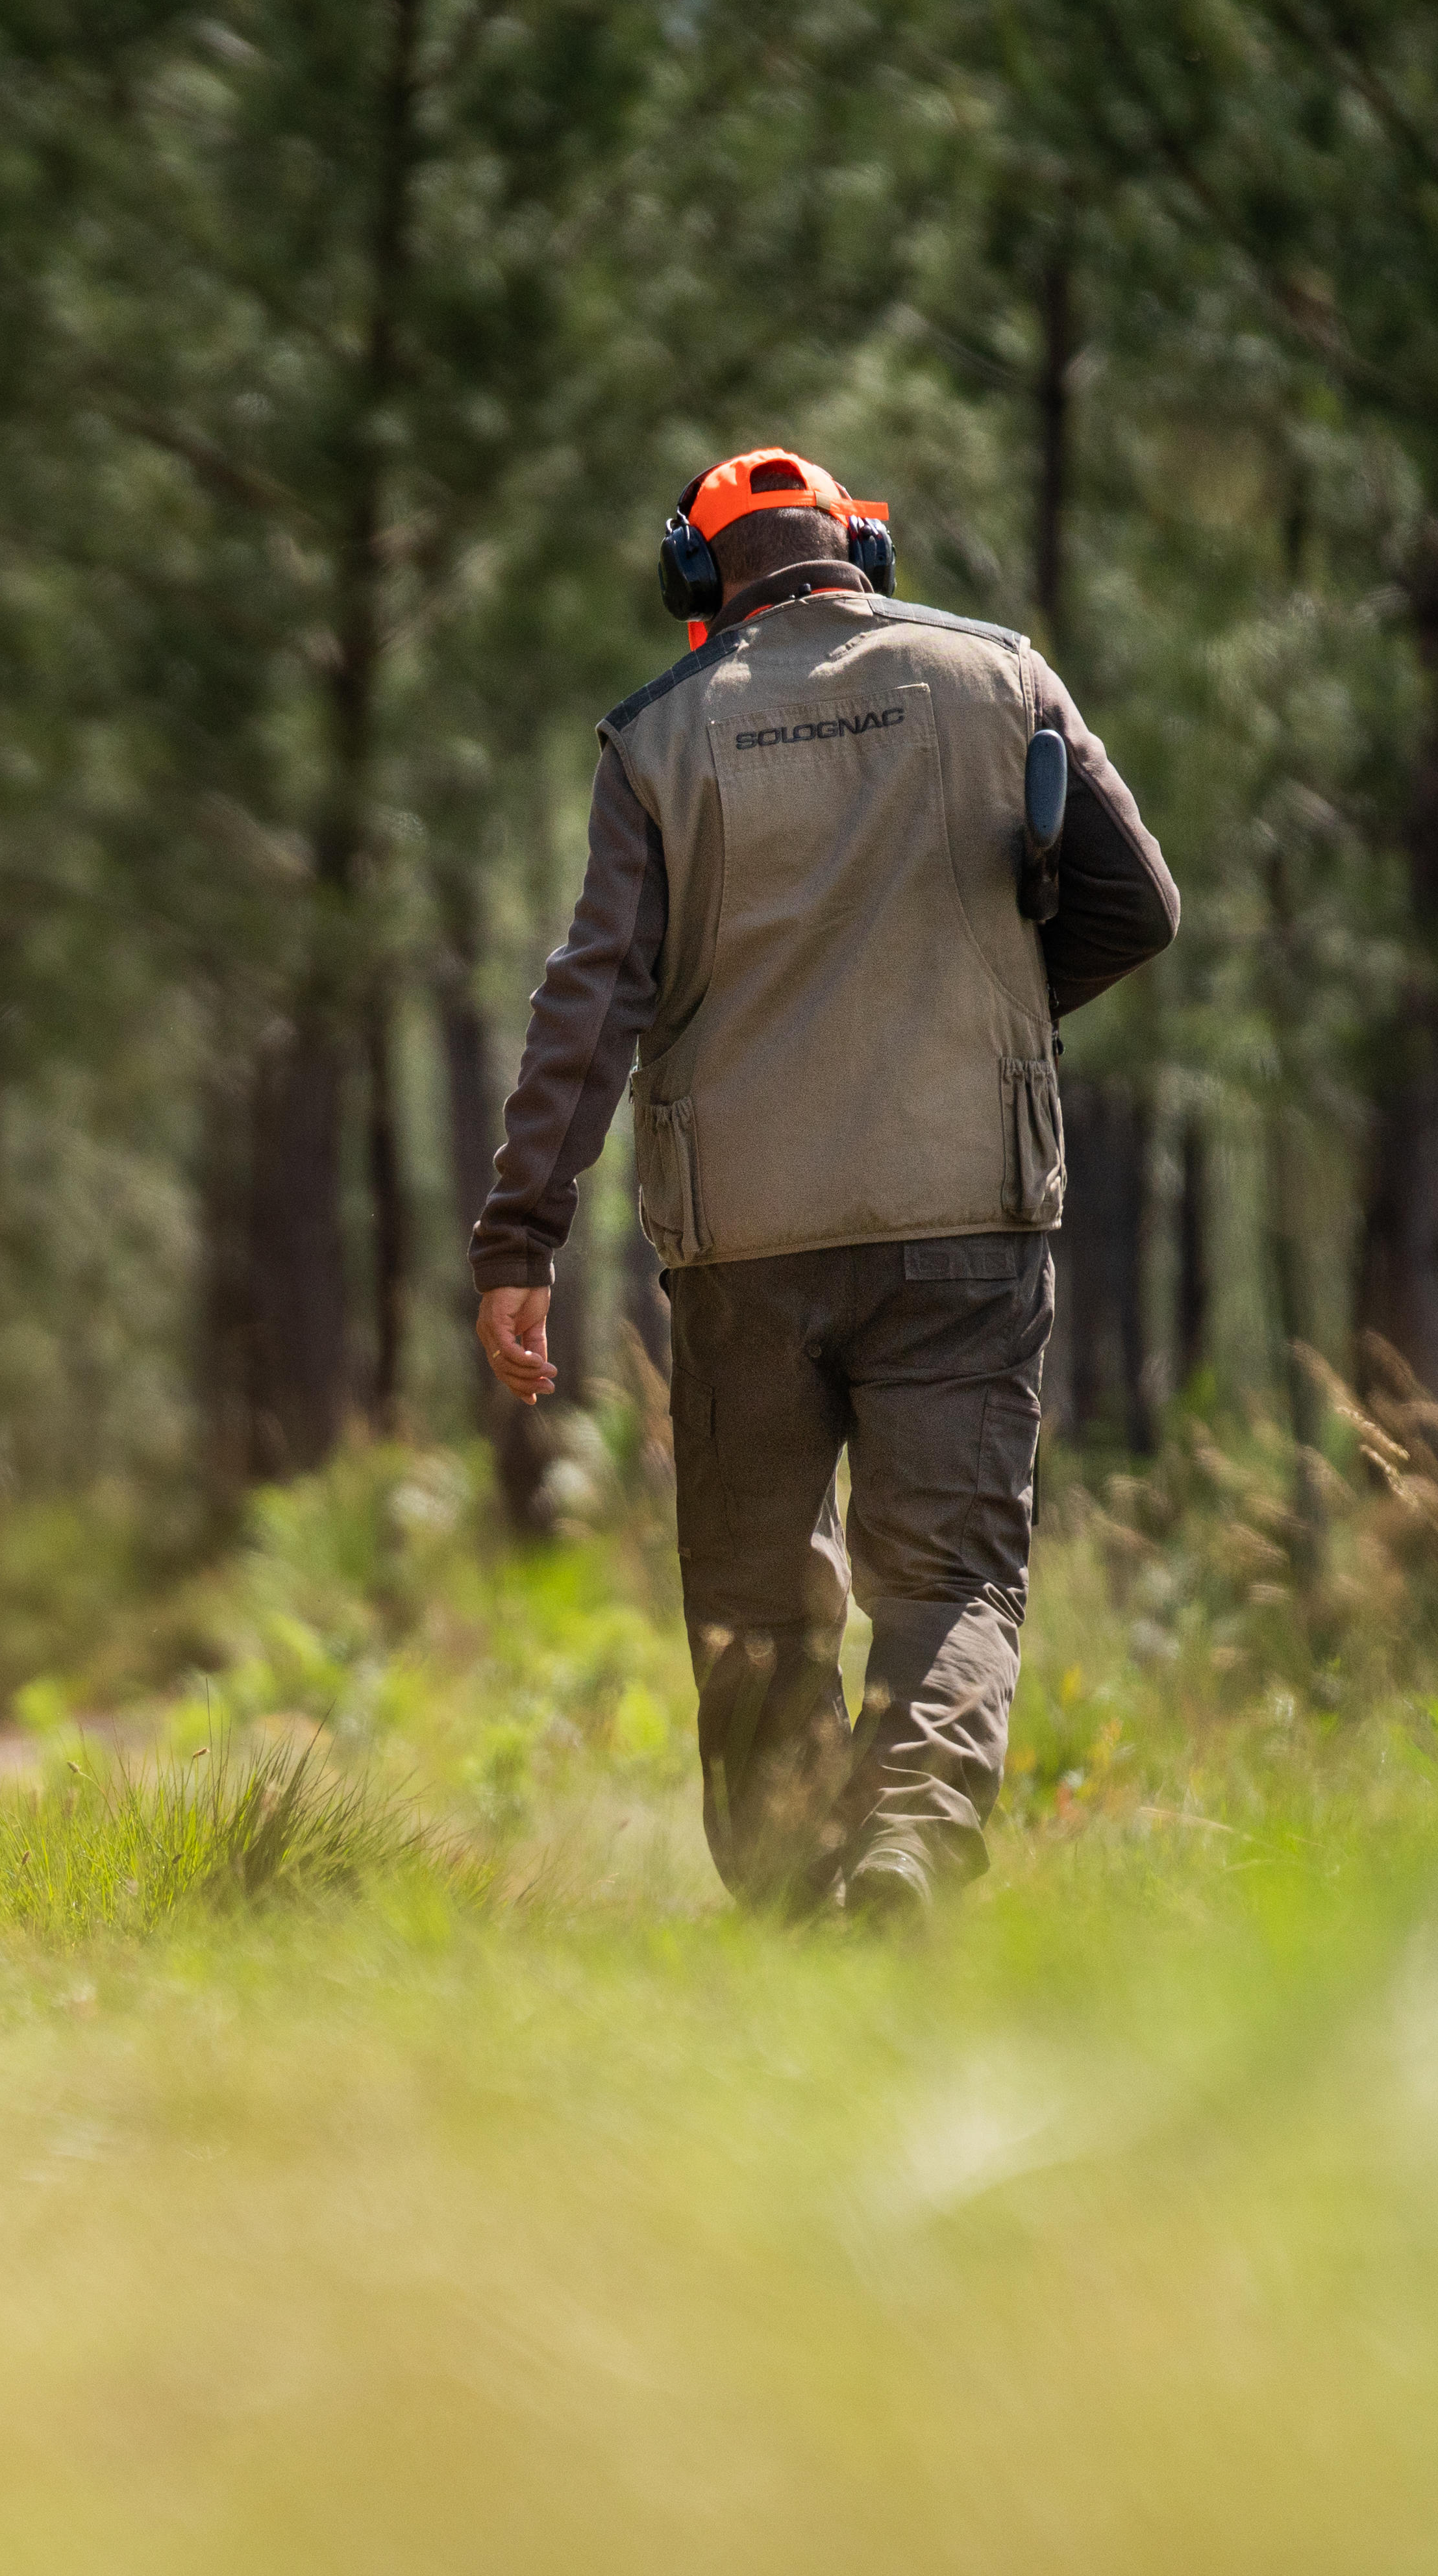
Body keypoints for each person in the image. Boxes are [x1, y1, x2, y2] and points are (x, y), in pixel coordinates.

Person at [471, 447, 1179, 1926]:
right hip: (967, 1220)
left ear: (695, 579)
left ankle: (800, 1914)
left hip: (746, 1248)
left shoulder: (657, 741)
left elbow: (588, 1004)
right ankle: (910, 1846)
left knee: (754, 1602)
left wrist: (522, 1232)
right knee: (951, 1581)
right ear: (864, 547)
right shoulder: (1003, 678)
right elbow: (1137, 907)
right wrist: (991, 1010)